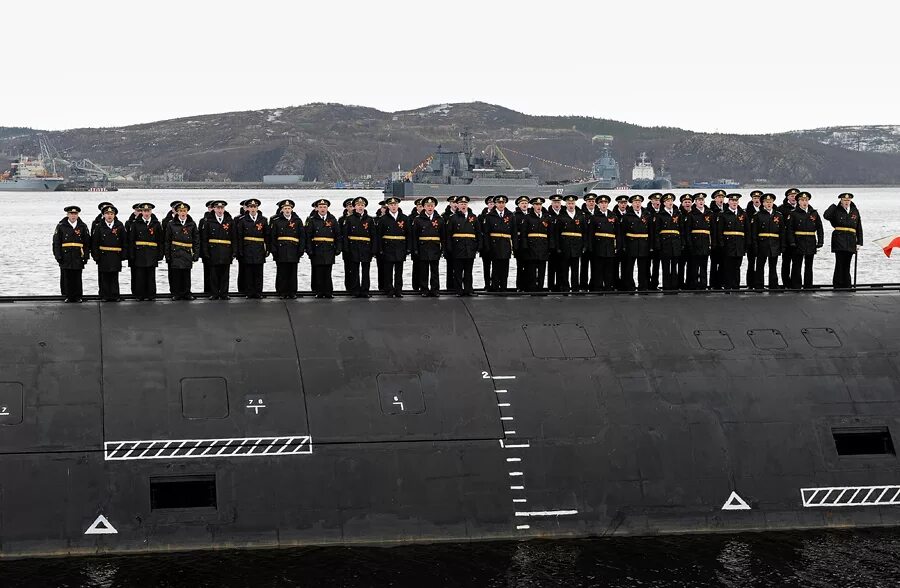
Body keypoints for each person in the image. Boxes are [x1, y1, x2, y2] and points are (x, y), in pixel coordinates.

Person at [823, 192, 863, 289]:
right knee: (840, 263)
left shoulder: (854, 211)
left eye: (848, 200)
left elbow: (858, 227)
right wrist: (833, 206)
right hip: (839, 240)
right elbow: (826, 216)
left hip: (851, 240)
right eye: (844, 200)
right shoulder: (836, 210)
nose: (846, 202)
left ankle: (847, 284)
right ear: (841, 200)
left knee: (847, 263)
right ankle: (838, 284)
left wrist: (859, 242)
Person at [53, 205, 91, 303]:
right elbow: (56, 243)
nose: (73, 216)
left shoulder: (82, 226)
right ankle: (68, 296)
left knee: (77, 277)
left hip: (78, 255)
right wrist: (58, 256)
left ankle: (78, 296)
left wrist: (86, 256)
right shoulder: (61, 226)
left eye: (75, 214)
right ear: (67, 214)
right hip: (65, 255)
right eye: (71, 214)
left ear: (78, 215)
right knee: (67, 276)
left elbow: (87, 243)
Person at [445, 195, 481, 296]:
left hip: (470, 248)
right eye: (461, 204)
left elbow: (478, 233)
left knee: (468, 271)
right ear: (457, 205)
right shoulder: (453, 218)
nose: (463, 205)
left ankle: (468, 289)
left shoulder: (473, 218)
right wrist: (449, 247)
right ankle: (459, 290)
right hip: (458, 248)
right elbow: (448, 234)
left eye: (465, 204)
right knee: (458, 271)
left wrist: (478, 247)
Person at [787, 191, 824, 289]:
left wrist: (820, 241)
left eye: (806, 200)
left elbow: (819, 228)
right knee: (797, 265)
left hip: (810, 241)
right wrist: (792, 242)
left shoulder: (814, 213)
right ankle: (796, 285)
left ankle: (808, 285)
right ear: (798, 201)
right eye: (802, 200)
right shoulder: (793, 213)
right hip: (798, 241)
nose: (804, 202)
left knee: (809, 265)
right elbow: (790, 229)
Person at [306, 198, 341, 299]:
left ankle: (328, 291)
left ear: (327, 208)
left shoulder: (333, 220)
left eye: (324, 207)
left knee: (328, 271)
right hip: (316, 249)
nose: (322, 209)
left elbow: (338, 235)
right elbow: (308, 236)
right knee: (318, 272)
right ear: (317, 208)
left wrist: (338, 248)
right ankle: (319, 291)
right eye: (320, 207)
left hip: (329, 249)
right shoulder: (312, 220)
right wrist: (309, 250)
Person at [269, 199, 304, 299]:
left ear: (292, 209)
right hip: (281, 250)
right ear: (282, 210)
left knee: (293, 272)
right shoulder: (276, 221)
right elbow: (273, 237)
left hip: (294, 250)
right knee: (282, 272)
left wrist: (301, 250)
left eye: (289, 208)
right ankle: (282, 291)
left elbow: (302, 236)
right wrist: (274, 250)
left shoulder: (297, 221)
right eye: (285, 208)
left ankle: (292, 292)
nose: (287, 210)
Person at [342, 196, 377, 298]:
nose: (360, 207)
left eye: (362, 205)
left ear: (365, 206)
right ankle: (355, 290)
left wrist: (373, 250)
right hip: (353, 248)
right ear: (354, 207)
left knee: (366, 271)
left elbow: (373, 236)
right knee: (354, 271)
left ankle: (365, 290)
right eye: (358, 205)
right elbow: (345, 236)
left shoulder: (370, 220)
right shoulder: (349, 219)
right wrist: (346, 249)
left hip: (366, 248)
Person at [91, 204, 127, 302]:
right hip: (103, 255)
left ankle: (115, 295)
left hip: (116, 255)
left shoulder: (120, 226)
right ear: (103, 215)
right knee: (105, 277)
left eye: (111, 213)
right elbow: (94, 243)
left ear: (114, 215)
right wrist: (96, 256)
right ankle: (105, 295)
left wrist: (124, 255)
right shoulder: (99, 227)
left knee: (114, 276)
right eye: (107, 213)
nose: (109, 216)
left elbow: (124, 241)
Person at [164, 202, 200, 300]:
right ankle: (176, 293)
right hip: (175, 252)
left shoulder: (191, 224)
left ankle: (187, 292)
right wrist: (167, 255)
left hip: (187, 252)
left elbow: (196, 240)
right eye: (180, 211)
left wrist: (196, 254)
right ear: (177, 212)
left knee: (186, 274)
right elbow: (167, 241)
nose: (183, 213)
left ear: (187, 212)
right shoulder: (171, 224)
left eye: (184, 211)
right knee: (176, 274)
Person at [518, 197, 554, 291]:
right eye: (536, 205)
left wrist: (550, 247)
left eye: (540, 205)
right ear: (533, 206)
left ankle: (540, 288)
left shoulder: (546, 218)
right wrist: (525, 246)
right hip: (531, 247)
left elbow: (550, 234)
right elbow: (524, 234)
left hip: (543, 247)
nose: (538, 206)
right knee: (531, 270)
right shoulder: (527, 218)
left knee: (542, 270)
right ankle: (532, 288)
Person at [129, 203, 164, 301]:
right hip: (139, 253)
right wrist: (131, 254)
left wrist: (160, 254)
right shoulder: (135, 224)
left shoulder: (156, 224)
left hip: (152, 253)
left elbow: (160, 240)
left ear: (151, 212)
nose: (146, 213)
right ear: (141, 212)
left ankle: (151, 295)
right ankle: (140, 295)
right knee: (140, 276)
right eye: (144, 211)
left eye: (148, 211)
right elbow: (131, 240)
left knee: (151, 275)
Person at [201, 200, 235, 300]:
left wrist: (234, 251)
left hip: (226, 251)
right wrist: (205, 252)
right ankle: (214, 293)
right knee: (214, 274)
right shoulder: (208, 221)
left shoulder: (229, 221)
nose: (220, 210)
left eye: (221, 208)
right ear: (214, 209)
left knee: (225, 274)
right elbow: (204, 239)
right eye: (218, 208)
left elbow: (234, 238)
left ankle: (224, 293)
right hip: (213, 251)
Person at [749, 193, 784, 290]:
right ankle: (759, 285)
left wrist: (782, 246)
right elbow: (754, 232)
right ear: (763, 203)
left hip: (774, 244)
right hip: (762, 244)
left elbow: (782, 232)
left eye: (770, 202)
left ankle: (773, 285)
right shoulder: (758, 215)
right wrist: (755, 246)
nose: (769, 204)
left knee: (773, 266)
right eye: (766, 202)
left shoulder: (778, 215)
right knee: (760, 266)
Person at [482, 194, 517, 291]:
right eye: (499, 203)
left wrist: (515, 246)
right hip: (494, 245)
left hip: (506, 245)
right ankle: (495, 287)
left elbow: (513, 232)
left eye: (503, 203)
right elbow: (486, 233)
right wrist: (487, 247)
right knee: (496, 267)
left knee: (505, 267)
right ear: (495, 204)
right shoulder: (489, 216)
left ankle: (503, 287)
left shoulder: (510, 216)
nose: (501, 205)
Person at [377, 196, 409, 298]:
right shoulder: (383, 219)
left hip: (400, 248)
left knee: (399, 271)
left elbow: (409, 235)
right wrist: (380, 249)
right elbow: (379, 236)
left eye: (395, 204)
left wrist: (408, 248)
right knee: (388, 271)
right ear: (388, 206)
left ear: (398, 205)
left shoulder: (404, 218)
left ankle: (398, 290)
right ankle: (389, 289)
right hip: (388, 248)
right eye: (391, 205)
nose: (393, 206)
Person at [235, 198, 268, 299]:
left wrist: (267, 249)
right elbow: (239, 237)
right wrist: (239, 251)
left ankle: (258, 292)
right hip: (247, 248)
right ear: (247, 208)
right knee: (248, 272)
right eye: (251, 207)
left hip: (259, 249)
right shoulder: (243, 220)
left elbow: (267, 236)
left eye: (254, 207)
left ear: (257, 208)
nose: (253, 209)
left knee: (258, 272)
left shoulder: (263, 220)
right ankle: (249, 292)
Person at [586, 194, 619, 291]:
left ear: (608, 204)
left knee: (609, 269)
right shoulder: (594, 217)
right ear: (598, 205)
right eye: (601, 203)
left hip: (610, 246)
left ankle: (608, 287)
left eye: (605, 203)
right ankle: (598, 287)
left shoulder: (613, 216)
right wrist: (591, 247)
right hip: (598, 246)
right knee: (598, 269)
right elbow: (591, 234)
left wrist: (618, 246)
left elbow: (618, 233)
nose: (603, 205)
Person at [412, 196, 443, 296]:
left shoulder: (439, 220)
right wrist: (415, 249)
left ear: (434, 206)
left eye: (432, 205)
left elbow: (443, 236)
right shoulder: (418, 220)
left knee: (435, 270)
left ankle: (435, 289)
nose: (430, 207)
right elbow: (414, 236)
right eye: (428, 205)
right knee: (423, 271)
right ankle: (424, 289)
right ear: (424, 207)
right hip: (423, 248)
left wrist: (443, 249)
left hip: (435, 248)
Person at [555, 195, 585, 292]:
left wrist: (584, 246)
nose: (571, 205)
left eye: (572, 203)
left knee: (575, 269)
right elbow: (557, 233)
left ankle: (575, 288)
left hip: (577, 247)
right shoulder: (561, 217)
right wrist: (558, 247)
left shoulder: (580, 216)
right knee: (564, 269)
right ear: (566, 204)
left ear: (575, 204)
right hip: (565, 247)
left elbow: (585, 232)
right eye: (569, 203)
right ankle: (565, 288)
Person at [717, 194, 748, 290]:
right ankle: (727, 286)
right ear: (729, 202)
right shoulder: (723, 214)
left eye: (736, 201)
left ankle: (736, 286)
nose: (734, 202)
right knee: (727, 267)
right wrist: (721, 244)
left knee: (737, 267)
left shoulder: (743, 214)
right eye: (732, 201)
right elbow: (719, 231)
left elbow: (747, 231)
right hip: (728, 244)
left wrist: (746, 245)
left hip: (739, 244)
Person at [621, 194, 652, 291]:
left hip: (644, 244)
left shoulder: (647, 215)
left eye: (639, 202)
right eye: (635, 202)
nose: (637, 204)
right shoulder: (627, 216)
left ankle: (643, 286)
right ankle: (630, 286)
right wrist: (624, 246)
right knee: (629, 267)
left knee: (643, 268)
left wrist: (650, 246)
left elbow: (651, 232)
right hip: (631, 244)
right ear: (632, 204)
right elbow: (623, 232)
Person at [652, 193, 681, 291]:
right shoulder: (660, 215)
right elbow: (656, 231)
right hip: (665, 244)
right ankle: (667, 286)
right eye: (667, 201)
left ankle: (674, 286)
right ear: (664, 203)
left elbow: (681, 230)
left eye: (671, 201)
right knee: (666, 266)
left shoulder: (677, 214)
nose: (670, 203)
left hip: (675, 243)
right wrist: (658, 244)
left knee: (674, 266)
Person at [685, 192, 713, 290]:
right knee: (694, 266)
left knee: (704, 265)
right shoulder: (691, 214)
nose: (701, 202)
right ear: (695, 202)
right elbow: (688, 232)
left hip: (705, 243)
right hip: (695, 243)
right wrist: (690, 245)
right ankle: (694, 285)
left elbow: (712, 231)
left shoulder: (709, 213)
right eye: (699, 200)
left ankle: (703, 284)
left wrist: (711, 244)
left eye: (702, 200)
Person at [779, 188, 800, 288]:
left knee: (797, 263)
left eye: (795, 196)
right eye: (791, 196)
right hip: (786, 240)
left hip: (798, 240)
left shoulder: (802, 208)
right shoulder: (781, 209)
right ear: (787, 197)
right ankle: (786, 283)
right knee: (786, 262)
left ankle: (796, 283)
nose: (793, 198)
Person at [578, 193, 598, 290]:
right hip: (584, 245)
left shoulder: (599, 213)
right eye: (589, 201)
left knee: (595, 266)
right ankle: (583, 286)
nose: (591, 203)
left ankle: (593, 285)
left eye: (593, 201)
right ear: (586, 202)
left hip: (596, 244)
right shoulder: (581, 214)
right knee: (584, 267)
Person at [708, 189, 727, 289]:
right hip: (715, 242)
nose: (721, 199)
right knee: (714, 264)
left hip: (724, 242)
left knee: (724, 264)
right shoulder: (711, 212)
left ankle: (721, 283)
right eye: (719, 197)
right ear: (715, 199)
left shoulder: (726, 210)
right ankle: (713, 284)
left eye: (722, 197)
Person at [644, 192, 663, 290]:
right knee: (647, 265)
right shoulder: (647, 213)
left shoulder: (663, 212)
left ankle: (654, 284)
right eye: (655, 200)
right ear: (651, 201)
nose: (657, 202)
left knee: (656, 265)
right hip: (648, 243)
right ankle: (646, 283)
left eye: (659, 200)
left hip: (659, 243)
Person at [745, 190, 763, 286]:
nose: (757, 200)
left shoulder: (765, 211)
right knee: (751, 263)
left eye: (759, 198)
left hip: (762, 241)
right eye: (755, 198)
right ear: (752, 199)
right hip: (751, 241)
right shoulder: (747, 212)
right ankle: (750, 283)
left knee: (760, 264)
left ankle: (759, 283)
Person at [513, 195, 531, 291]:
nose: (524, 205)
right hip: (520, 245)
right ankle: (519, 286)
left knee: (529, 267)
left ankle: (528, 285)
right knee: (520, 267)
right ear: (519, 205)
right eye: (522, 203)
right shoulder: (515, 216)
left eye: (526, 203)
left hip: (530, 244)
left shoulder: (531, 214)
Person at [198, 200, 215, 294]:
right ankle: (207, 291)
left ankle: (216, 290)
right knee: (207, 272)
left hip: (216, 250)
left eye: (213, 207)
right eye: (210, 207)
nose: (212, 209)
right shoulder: (203, 221)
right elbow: (200, 237)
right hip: (206, 250)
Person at [677, 194, 694, 289]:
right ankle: (680, 283)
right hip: (682, 244)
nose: (687, 204)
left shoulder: (694, 214)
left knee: (691, 265)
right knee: (681, 265)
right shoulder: (679, 215)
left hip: (692, 243)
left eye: (689, 202)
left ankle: (689, 283)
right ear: (682, 204)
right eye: (685, 202)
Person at [479, 196, 495, 290]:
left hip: (495, 245)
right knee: (486, 267)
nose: (491, 205)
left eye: (493, 203)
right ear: (487, 205)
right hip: (485, 246)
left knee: (496, 267)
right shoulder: (481, 217)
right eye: (490, 203)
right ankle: (487, 284)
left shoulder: (497, 216)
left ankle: (494, 284)